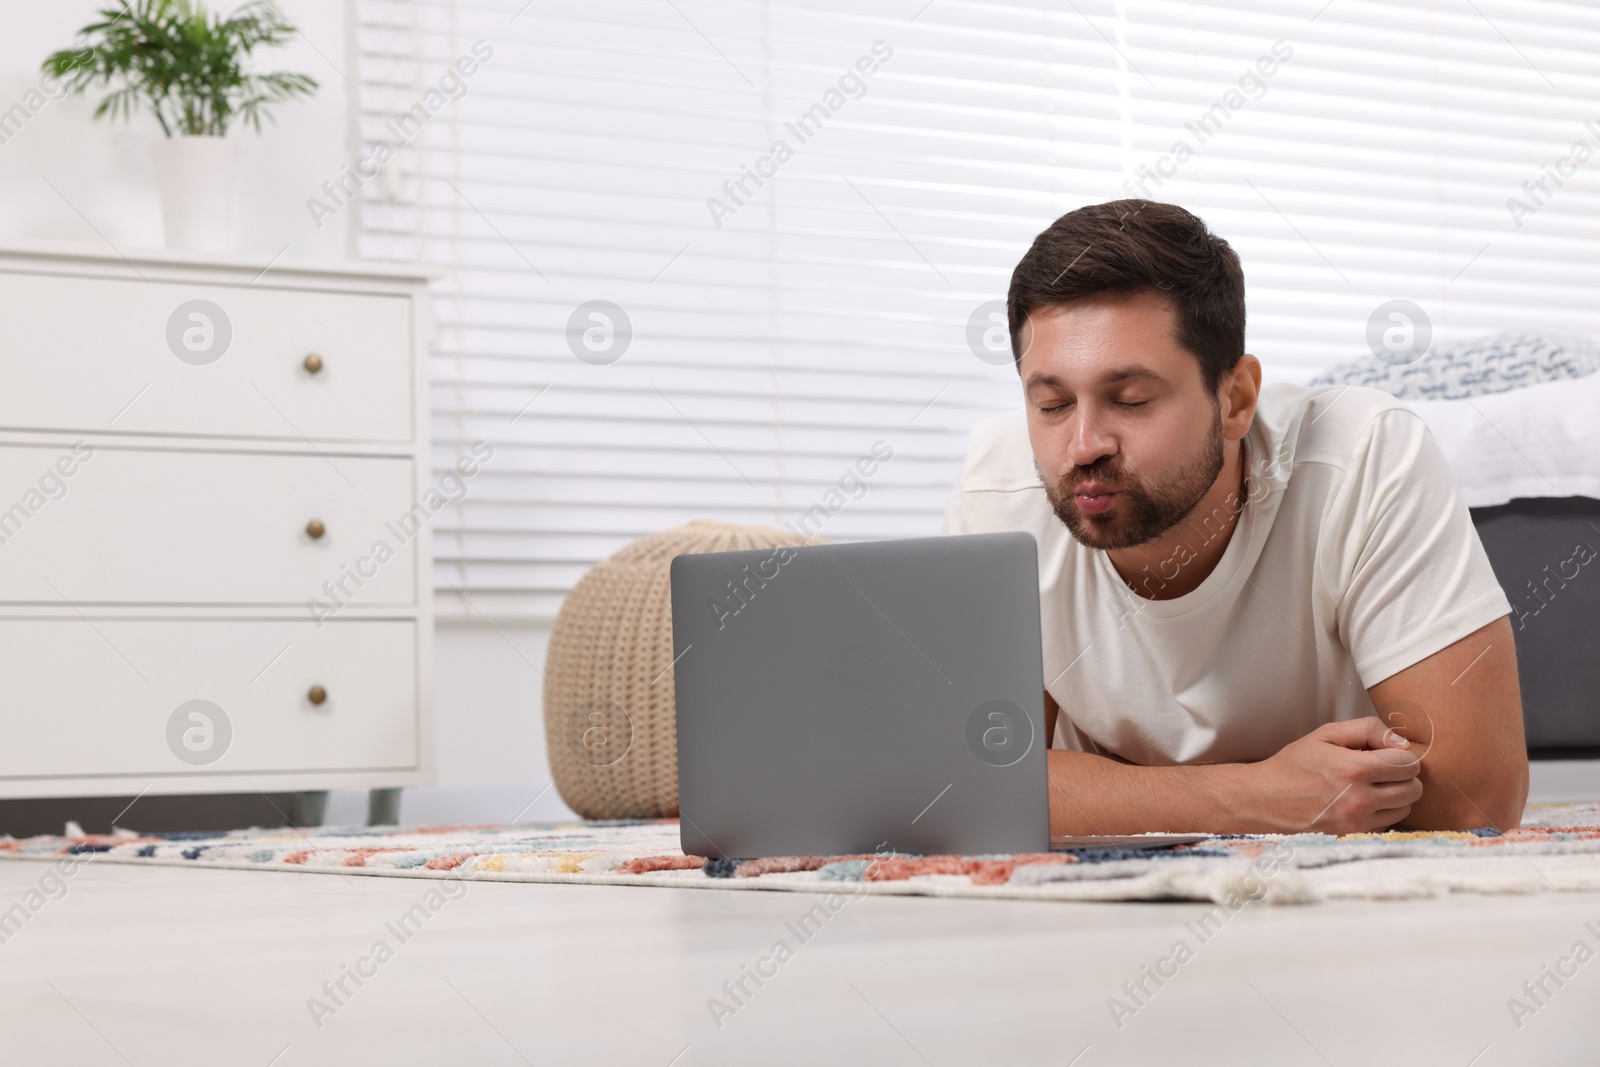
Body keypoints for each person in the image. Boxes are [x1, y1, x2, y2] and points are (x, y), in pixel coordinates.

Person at [944, 200, 1527, 834]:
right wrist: (1254, 795)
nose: (1084, 445)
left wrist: (1099, 793)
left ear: (1235, 400)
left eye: (1131, 399)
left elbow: (1475, 793)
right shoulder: (998, 497)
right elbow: (961, 782)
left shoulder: (1363, 456)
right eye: (1052, 404)